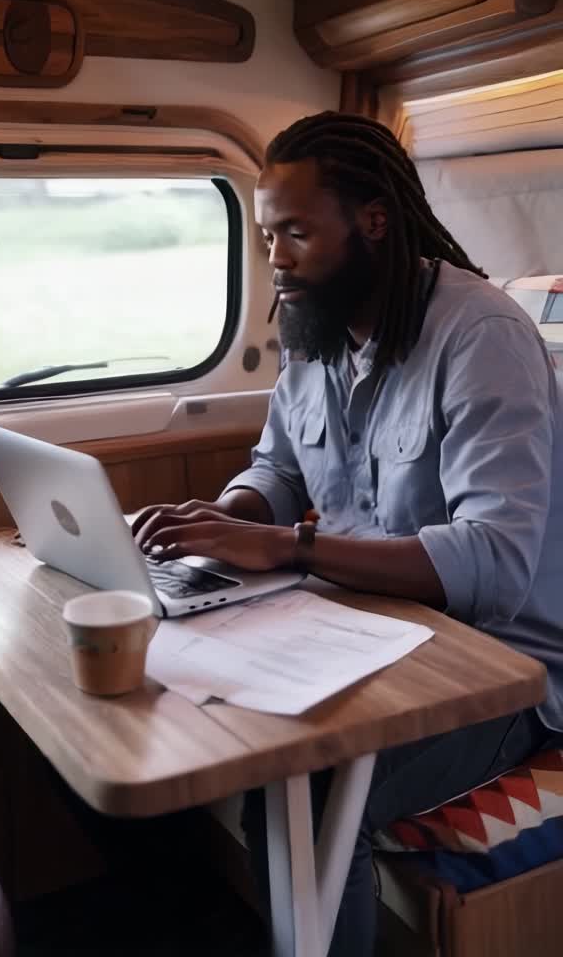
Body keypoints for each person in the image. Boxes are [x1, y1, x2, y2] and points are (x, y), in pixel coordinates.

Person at [132, 110, 563, 957]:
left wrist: (289, 547)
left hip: (510, 668)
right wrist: (226, 520)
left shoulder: (482, 337)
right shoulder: (317, 330)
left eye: (295, 233)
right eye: (264, 237)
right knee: (169, 714)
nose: (275, 261)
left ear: (372, 223)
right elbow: (280, 471)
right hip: (369, 630)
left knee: (316, 785)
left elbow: (496, 563)